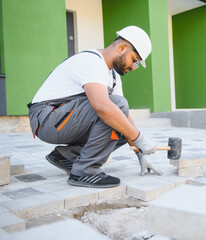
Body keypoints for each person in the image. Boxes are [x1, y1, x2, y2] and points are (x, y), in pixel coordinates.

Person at [28, 26, 162, 188]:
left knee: (121, 126)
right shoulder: (91, 61)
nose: (133, 67)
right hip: (46, 118)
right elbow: (102, 106)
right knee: (115, 108)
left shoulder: (113, 76)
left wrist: (139, 151)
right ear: (121, 48)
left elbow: (123, 116)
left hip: (62, 119)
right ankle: (85, 171)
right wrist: (139, 138)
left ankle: (66, 157)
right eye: (134, 60)